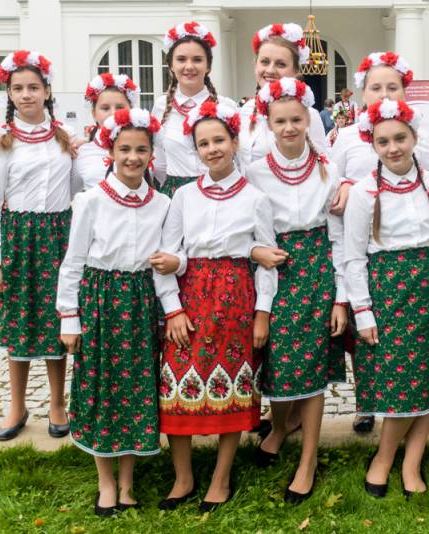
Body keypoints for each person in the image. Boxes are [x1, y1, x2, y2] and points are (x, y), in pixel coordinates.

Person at [151, 101, 278, 512]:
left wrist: (262, 312)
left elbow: (266, 259)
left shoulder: (255, 198)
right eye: (203, 144)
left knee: (233, 386)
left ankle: (221, 478)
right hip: (191, 297)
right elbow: (168, 254)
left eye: (219, 140)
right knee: (175, 383)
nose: (212, 149)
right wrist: (173, 309)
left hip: (235, 299)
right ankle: (183, 477)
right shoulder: (183, 196)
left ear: (235, 142)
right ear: (196, 150)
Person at [345, 99, 429, 497]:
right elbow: (353, 256)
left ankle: (412, 462)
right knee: (401, 378)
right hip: (388, 290)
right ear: (373, 144)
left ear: (415, 138)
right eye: (383, 141)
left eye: (400, 138)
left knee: (428, 375)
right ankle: (383, 459)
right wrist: (363, 311)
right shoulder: (364, 192)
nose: (393, 147)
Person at [56, 107, 174, 516]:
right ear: (110, 151)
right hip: (101, 301)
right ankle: (105, 480)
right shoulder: (91, 201)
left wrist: (167, 311)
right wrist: (70, 318)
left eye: (141, 150)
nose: (132, 158)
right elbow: (73, 263)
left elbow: (164, 262)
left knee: (136, 388)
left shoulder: (162, 204)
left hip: (140, 302)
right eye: (124, 149)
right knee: (102, 388)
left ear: (151, 154)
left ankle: (127, 479)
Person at [247, 78, 348, 503]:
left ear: (309, 120)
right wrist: (258, 264)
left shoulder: (328, 168)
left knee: (312, 365)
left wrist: (341, 297)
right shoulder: (254, 172)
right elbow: (253, 234)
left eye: (296, 120)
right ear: (268, 124)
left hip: (317, 271)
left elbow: (339, 236)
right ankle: (280, 426)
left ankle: (308, 459)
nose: (289, 128)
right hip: (275, 269)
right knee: (278, 358)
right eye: (280, 121)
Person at [330, 51, 429, 434]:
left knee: (398, 332)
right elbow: (333, 182)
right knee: (363, 332)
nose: (384, 94)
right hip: (357, 240)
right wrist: (345, 184)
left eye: (392, 87)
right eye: (376, 87)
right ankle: (367, 401)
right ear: (363, 93)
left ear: (405, 91)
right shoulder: (346, 137)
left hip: (400, 240)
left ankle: (408, 399)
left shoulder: (417, 137)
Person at [0, 50, 74, 442]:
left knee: (57, 321)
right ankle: (17, 405)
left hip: (57, 236)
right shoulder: (3, 143)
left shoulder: (65, 138)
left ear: (47, 91)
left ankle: (57, 403)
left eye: (33, 87)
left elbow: (78, 189)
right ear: (9, 93)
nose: (26, 95)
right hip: (19, 239)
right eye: (17, 88)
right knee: (19, 323)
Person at [152, 20, 237, 197]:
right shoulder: (161, 107)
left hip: (219, 192)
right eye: (181, 59)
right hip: (175, 194)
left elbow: (239, 158)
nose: (189, 66)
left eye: (197, 60)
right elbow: (159, 163)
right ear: (171, 65)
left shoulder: (226, 107)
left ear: (208, 66)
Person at [238, 22, 328, 172]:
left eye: (281, 64)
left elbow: (322, 166)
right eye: (265, 62)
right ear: (255, 65)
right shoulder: (246, 110)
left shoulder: (308, 115)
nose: (270, 70)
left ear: (295, 71)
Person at [72, 73, 139, 191]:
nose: (113, 113)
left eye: (120, 107)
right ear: (94, 114)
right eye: (105, 108)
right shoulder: (81, 152)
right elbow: (73, 192)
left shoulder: (144, 148)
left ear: (131, 110)